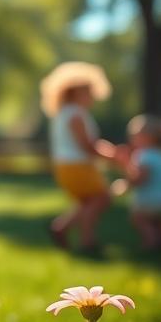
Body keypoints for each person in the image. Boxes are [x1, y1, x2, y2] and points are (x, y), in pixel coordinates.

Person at [40, 61, 119, 253]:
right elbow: (87, 146)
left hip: (67, 166)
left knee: (88, 202)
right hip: (77, 166)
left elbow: (88, 144)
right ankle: (86, 240)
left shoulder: (65, 113)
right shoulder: (75, 114)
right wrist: (114, 157)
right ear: (76, 92)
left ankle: (62, 228)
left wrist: (110, 153)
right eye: (89, 91)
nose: (92, 96)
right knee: (101, 198)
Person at [113, 114, 161, 250]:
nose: (132, 139)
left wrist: (125, 178)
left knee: (139, 219)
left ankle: (151, 243)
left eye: (134, 136)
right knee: (159, 222)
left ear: (148, 136)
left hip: (150, 199)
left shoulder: (143, 155)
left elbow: (140, 178)